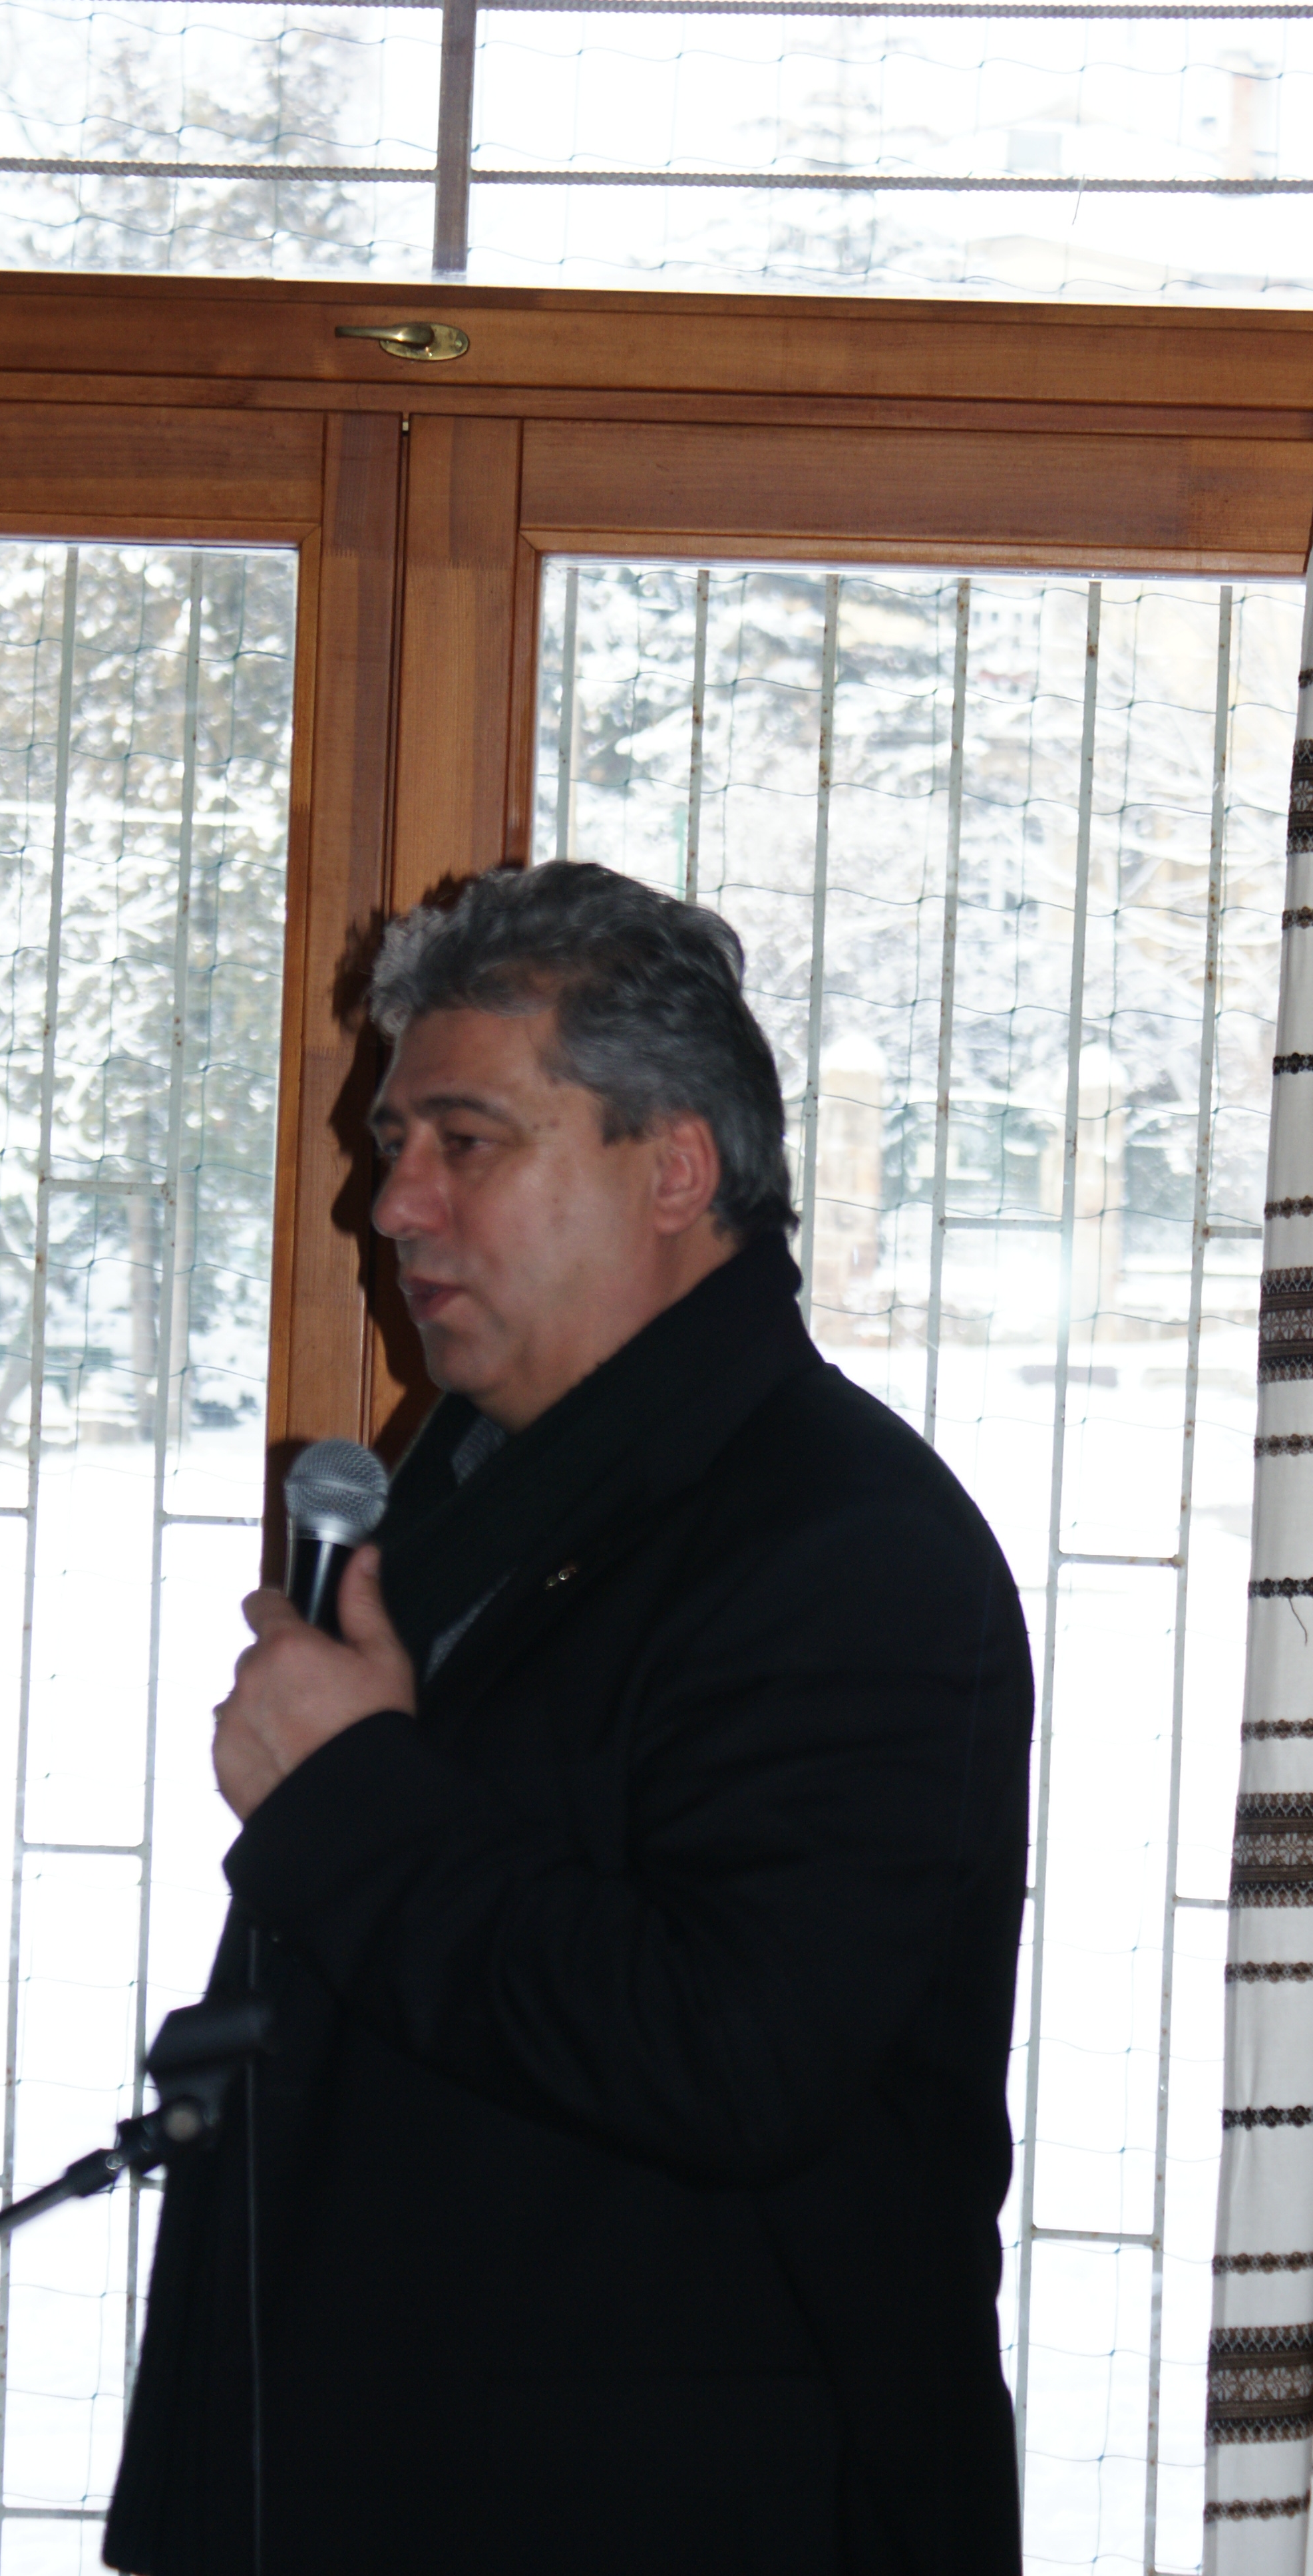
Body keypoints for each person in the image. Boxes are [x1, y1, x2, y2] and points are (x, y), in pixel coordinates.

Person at [104, 860, 1032, 2576]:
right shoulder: (475, 1484)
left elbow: (731, 2056)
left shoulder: (849, 1545)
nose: (393, 1205)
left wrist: (351, 1800)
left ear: (674, 1168)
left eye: (467, 1142)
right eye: (395, 1144)